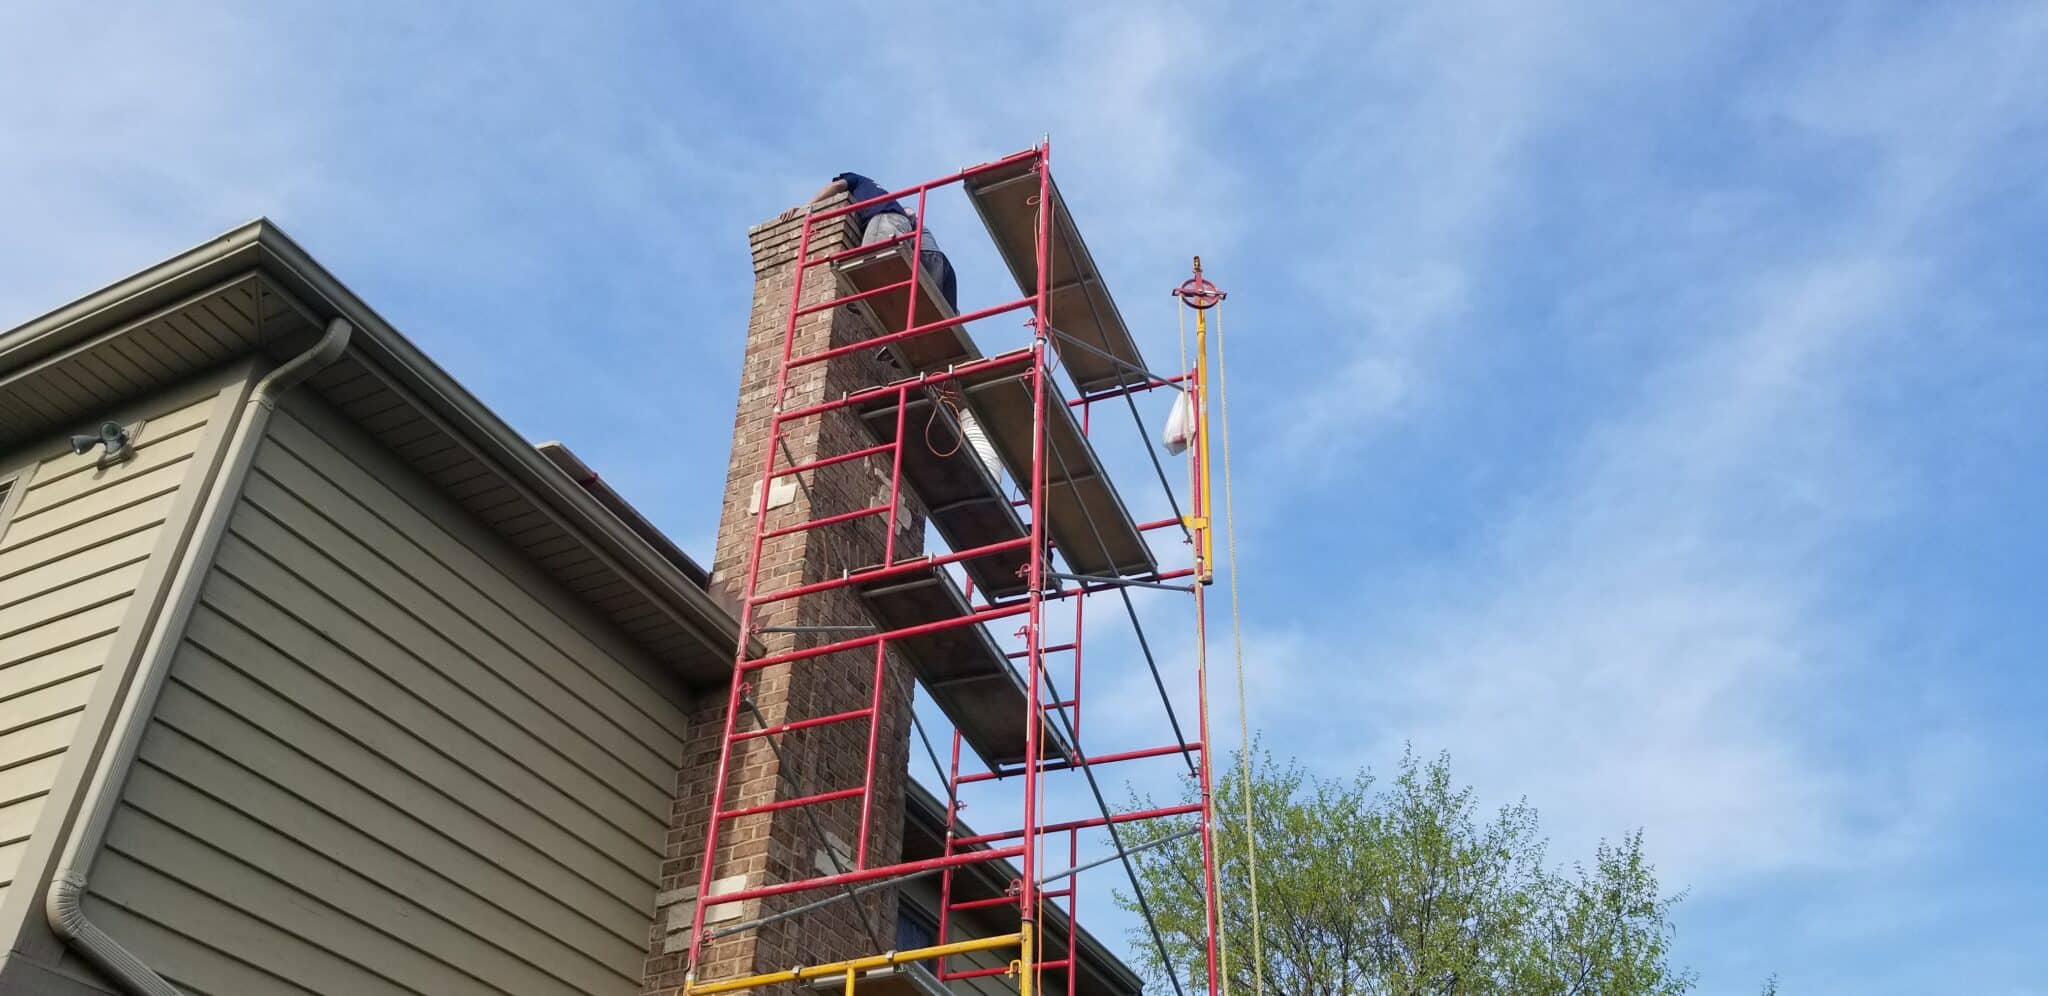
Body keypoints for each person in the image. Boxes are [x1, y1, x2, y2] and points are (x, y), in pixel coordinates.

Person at [812, 172, 959, 311]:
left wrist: (808, 208)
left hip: (887, 218)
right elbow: (910, 214)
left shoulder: (854, 179)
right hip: (912, 237)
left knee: (874, 257)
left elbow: (837, 186)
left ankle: (865, 297)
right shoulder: (885, 197)